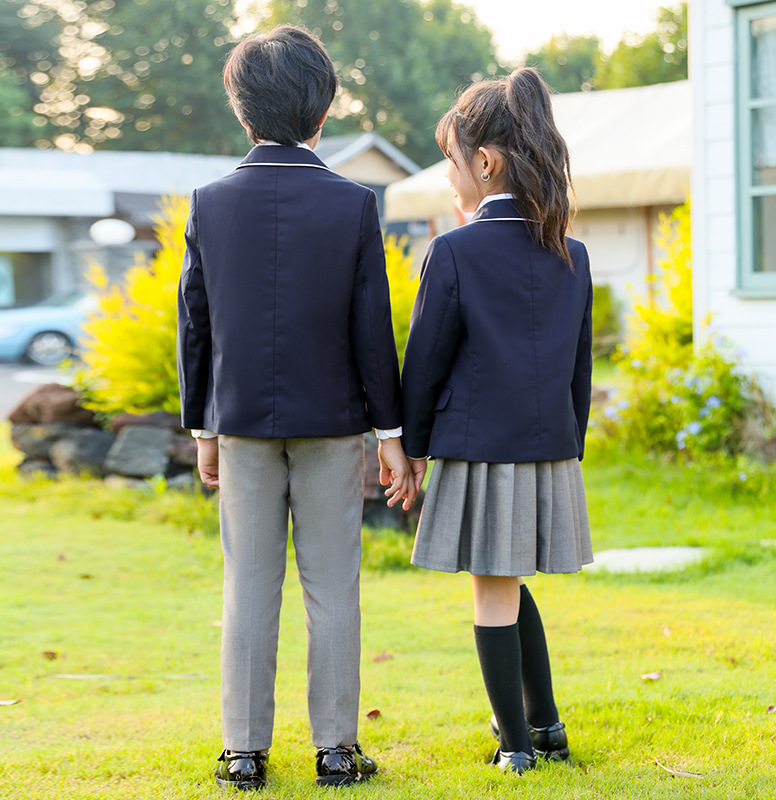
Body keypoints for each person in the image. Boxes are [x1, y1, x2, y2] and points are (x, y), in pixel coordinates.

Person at [177, 25, 417, 791]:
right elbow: (371, 329)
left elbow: (196, 323)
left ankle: (243, 752)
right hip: (334, 424)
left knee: (248, 583)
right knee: (332, 585)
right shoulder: (352, 204)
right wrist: (391, 432)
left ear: (240, 109)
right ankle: (337, 751)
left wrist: (202, 427)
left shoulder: (210, 203)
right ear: (324, 112)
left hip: (241, 424)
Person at [401, 67, 593, 775]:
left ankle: (514, 748)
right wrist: (568, 449)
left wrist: (410, 449)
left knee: (492, 587)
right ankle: (546, 727)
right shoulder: (571, 254)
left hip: (480, 448)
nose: (450, 180)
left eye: (452, 164)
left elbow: (423, 364)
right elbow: (580, 372)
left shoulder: (453, 252)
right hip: (550, 448)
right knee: (510, 579)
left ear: (483, 163)